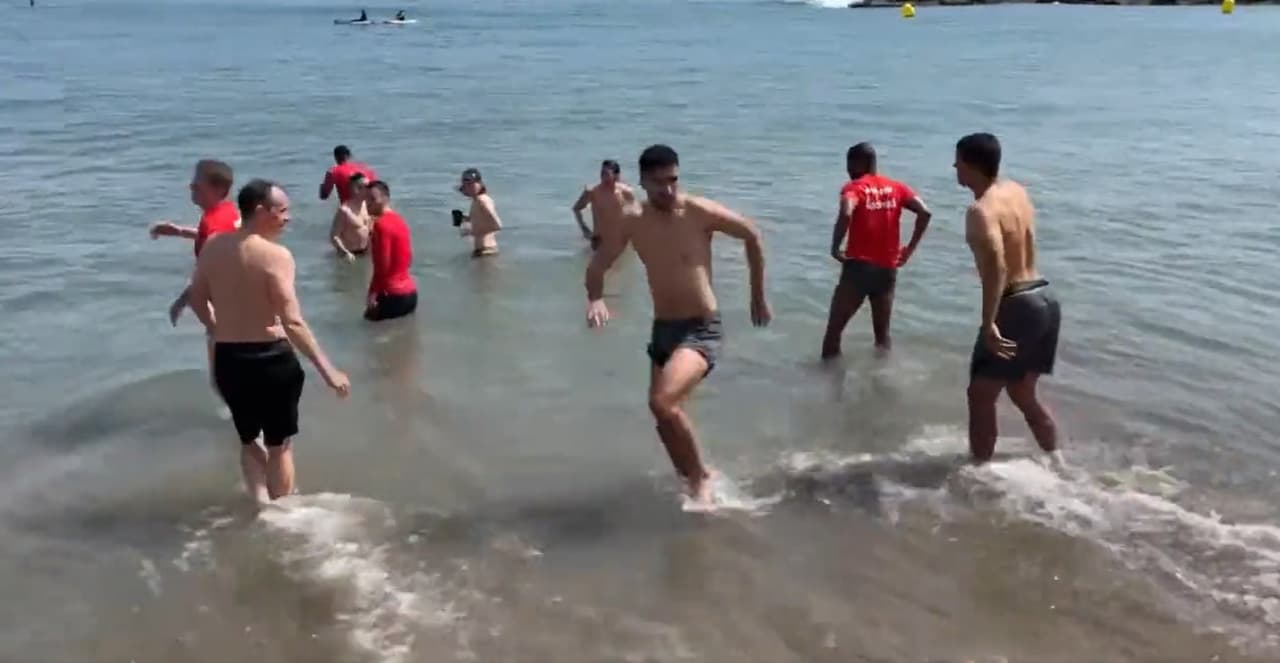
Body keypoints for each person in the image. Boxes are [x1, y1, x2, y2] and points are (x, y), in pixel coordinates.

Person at [586, 145, 771, 505]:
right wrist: (596, 298)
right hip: (663, 329)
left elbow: (751, 234)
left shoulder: (698, 212)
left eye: (673, 180)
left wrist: (757, 295)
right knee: (663, 416)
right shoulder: (632, 221)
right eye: (658, 183)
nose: (668, 190)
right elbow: (598, 265)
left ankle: (701, 477)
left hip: (701, 327)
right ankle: (689, 479)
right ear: (642, 182)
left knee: (662, 402)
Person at [188, 179, 351, 504]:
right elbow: (292, 321)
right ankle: (284, 513)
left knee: (248, 439)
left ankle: (260, 505)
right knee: (280, 445)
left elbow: (196, 299)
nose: (288, 217)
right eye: (283, 211)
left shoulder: (213, 247)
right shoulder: (277, 256)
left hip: (229, 359)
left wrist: (218, 328)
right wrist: (328, 371)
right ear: (261, 211)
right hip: (271, 360)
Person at [955, 133, 1062, 465]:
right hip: (1044, 298)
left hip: (1016, 304)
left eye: (958, 161)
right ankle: (1057, 462)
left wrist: (989, 323)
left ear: (971, 165)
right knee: (1022, 391)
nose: (954, 167)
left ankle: (979, 472)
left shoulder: (980, 211)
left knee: (980, 394)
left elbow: (997, 267)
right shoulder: (1016, 191)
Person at [821, 143, 932, 357]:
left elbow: (846, 212)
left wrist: (835, 247)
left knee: (834, 332)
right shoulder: (897, 187)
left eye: (849, 165)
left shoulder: (855, 187)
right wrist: (909, 250)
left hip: (859, 269)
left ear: (858, 163)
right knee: (882, 336)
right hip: (887, 270)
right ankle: (883, 374)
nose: (848, 171)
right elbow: (925, 213)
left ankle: (828, 376)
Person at [149, 159, 239, 329]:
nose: (191, 186)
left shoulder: (213, 223)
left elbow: (205, 276)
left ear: (218, 189)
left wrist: (182, 301)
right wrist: (180, 231)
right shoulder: (227, 211)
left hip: (227, 311)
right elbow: (219, 239)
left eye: (197, 183)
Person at [364, 180, 418, 321]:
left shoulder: (380, 225)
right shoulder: (400, 220)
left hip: (391, 295)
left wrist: (372, 293)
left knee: (368, 330)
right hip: (410, 294)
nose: (367, 203)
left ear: (385, 199)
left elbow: (382, 266)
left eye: (372, 199)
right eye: (366, 199)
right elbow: (408, 259)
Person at [571, 159, 636, 251]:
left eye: (606, 174)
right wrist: (584, 228)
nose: (603, 177)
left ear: (616, 175)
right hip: (599, 240)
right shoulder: (592, 191)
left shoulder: (626, 192)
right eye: (602, 173)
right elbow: (576, 209)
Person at [455, 168, 502, 258]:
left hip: (487, 251)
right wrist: (465, 219)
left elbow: (497, 225)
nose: (468, 187)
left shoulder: (482, 200)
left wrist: (473, 231)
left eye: (472, 184)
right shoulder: (476, 200)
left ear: (479, 184)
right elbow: (481, 220)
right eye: (466, 185)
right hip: (481, 250)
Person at [329, 172, 372, 261]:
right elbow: (334, 236)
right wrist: (345, 253)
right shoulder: (344, 211)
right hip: (350, 256)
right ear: (356, 189)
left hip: (365, 253)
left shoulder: (367, 206)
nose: (370, 190)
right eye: (366, 187)